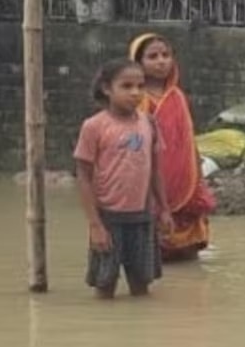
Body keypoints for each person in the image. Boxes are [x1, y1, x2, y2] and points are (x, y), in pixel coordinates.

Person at [74, 59, 172, 298]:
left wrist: (165, 210)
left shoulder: (149, 123)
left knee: (141, 285)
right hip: (108, 217)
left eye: (140, 86)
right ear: (107, 89)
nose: (135, 93)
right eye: (126, 86)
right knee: (105, 285)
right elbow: (84, 177)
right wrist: (95, 225)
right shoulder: (94, 126)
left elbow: (155, 169)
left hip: (142, 215)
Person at [128, 32, 216, 262]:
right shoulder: (134, 100)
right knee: (151, 251)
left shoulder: (178, 96)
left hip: (185, 180)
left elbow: (187, 138)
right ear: (138, 63)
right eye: (152, 56)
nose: (161, 61)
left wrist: (197, 175)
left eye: (166, 55)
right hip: (149, 180)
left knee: (189, 251)